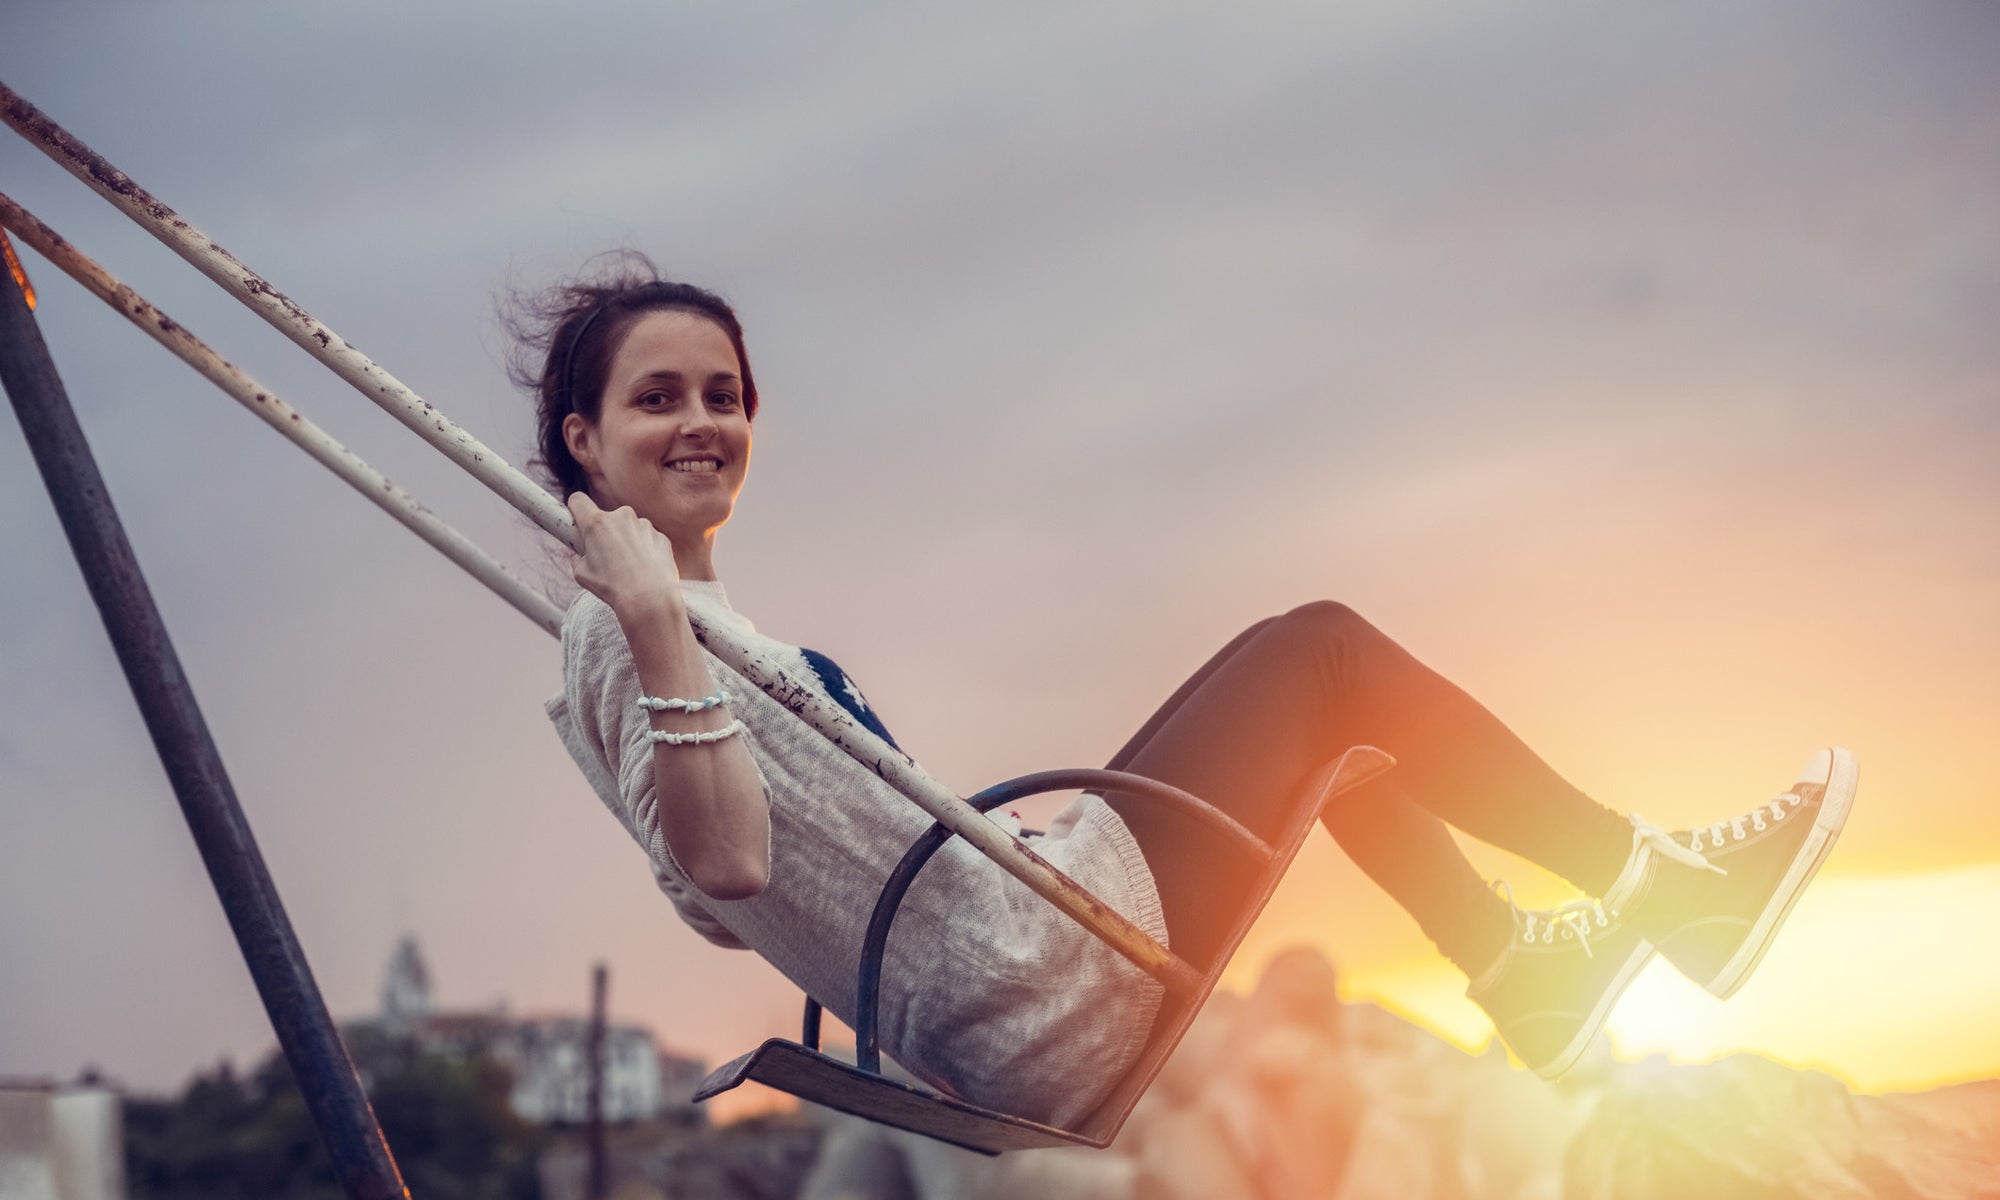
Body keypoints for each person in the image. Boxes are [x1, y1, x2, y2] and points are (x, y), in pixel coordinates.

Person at [524, 256, 1858, 1124]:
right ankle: (1658, 888)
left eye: (726, 392)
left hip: (1015, 964)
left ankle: (1526, 974)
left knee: (1330, 729)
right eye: (659, 399)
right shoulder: (629, 633)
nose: (704, 420)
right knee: (1325, 656)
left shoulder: (662, 630)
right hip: (1040, 980)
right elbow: (731, 860)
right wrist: (651, 627)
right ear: (585, 438)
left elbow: (710, 896)